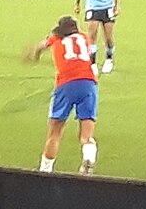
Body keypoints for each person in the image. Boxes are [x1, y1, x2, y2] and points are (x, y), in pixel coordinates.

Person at [27, 15, 98, 175]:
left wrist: (34, 56)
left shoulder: (55, 40)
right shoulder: (84, 37)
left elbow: (40, 46)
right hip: (88, 83)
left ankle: (45, 170)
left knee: (55, 132)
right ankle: (88, 158)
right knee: (86, 135)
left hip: (66, 84)